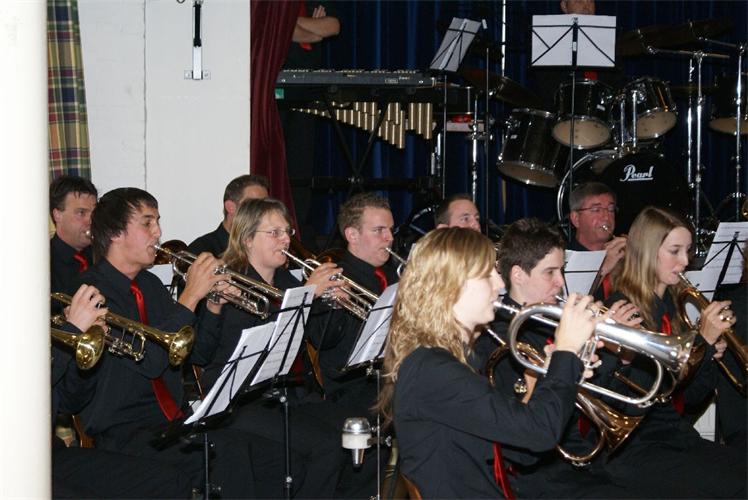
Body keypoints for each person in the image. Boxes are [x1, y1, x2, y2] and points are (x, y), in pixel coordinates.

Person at [376, 227, 602, 498]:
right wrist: (566, 352)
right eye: (487, 275)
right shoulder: (432, 369)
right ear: (450, 286)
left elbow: (523, 452)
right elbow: (540, 432)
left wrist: (555, 372)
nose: (500, 285)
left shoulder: (453, 360)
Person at [69, 187, 255, 497]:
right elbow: (151, 362)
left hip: (170, 422)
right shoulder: (91, 293)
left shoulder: (150, 284)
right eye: (147, 223)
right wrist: (190, 296)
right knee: (229, 456)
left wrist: (213, 306)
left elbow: (198, 353)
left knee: (256, 454)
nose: (158, 232)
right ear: (115, 233)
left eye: (157, 221)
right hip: (124, 430)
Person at [478, 218, 642, 498]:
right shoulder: (500, 338)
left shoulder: (553, 321)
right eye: (550, 272)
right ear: (518, 275)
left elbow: (596, 400)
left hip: (582, 462)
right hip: (543, 475)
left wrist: (618, 354)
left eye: (561, 270)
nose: (561, 282)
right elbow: (525, 431)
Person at [195, 197, 346, 498]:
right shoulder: (227, 280)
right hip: (237, 399)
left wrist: (334, 304)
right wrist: (213, 307)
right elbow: (201, 354)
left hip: (285, 392)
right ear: (248, 239)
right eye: (274, 232)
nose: (286, 239)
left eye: (287, 231)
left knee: (351, 430)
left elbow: (322, 339)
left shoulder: (288, 280)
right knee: (327, 446)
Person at [596, 206, 746, 498]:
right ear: (648, 253)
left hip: (673, 435)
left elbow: (689, 398)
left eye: (687, 251)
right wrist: (702, 342)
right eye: (675, 251)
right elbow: (642, 395)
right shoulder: (623, 309)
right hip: (637, 447)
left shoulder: (671, 306)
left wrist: (708, 358)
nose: (685, 261)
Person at [52, 284, 193, 498]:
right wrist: (71, 332)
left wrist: (85, 350)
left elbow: (70, 402)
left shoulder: (151, 285)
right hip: (14, 462)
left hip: (53, 456)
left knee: (170, 482)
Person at [306, 192, 398, 403]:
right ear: (352, 235)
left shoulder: (393, 275)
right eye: (379, 230)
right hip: (351, 389)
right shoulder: (333, 278)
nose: (389, 238)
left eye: (390, 229)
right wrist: (335, 306)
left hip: (389, 380)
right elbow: (321, 340)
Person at [187, 174, 270, 258]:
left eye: (265, 205)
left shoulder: (267, 246)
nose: (263, 211)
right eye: (254, 205)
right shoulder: (201, 250)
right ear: (231, 207)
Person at [568, 182, 627, 297]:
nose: (606, 217)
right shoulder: (563, 260)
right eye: (596, 209)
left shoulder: (619, 254)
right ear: (576, 219)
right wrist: (603, 267)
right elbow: (571, 302)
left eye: (610, 209)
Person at [50, 176, 97, 300]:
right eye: (81, 213)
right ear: (57, 215)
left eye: (94, 213)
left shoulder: (103, 256)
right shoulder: (43, 264)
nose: (91, 221)